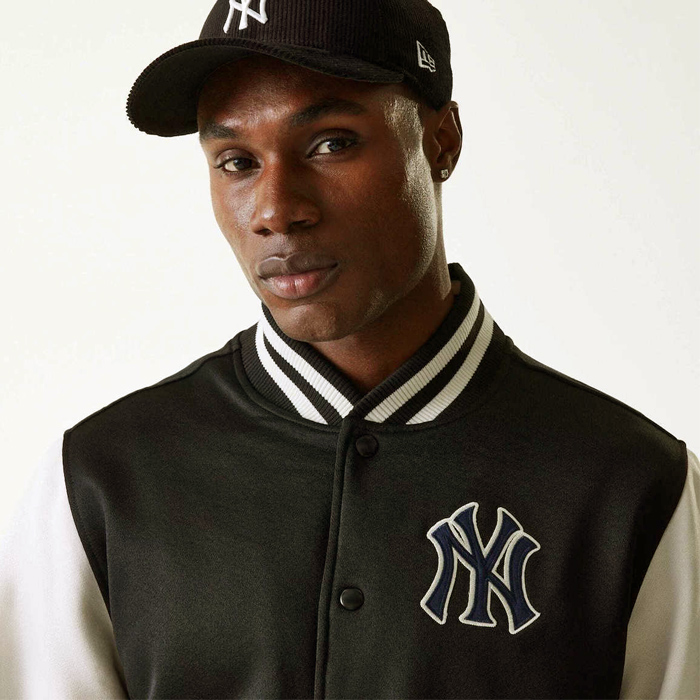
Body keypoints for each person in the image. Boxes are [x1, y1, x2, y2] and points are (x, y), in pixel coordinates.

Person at [1, 0, 698, 697]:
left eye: (331, 143)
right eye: (237, 161)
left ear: (442, 141)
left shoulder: (633, 487)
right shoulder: (97, 482)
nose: (276, 210)